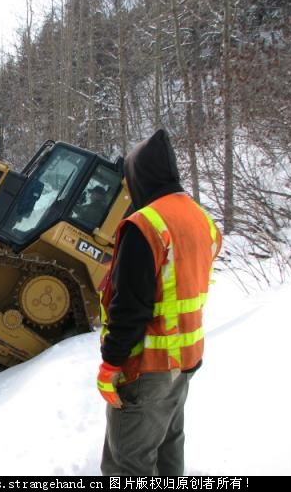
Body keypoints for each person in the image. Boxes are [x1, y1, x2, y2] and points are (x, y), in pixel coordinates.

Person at [96, 129, 222, 476]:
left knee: (128, 464)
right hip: (185, 361)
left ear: (139, 177)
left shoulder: (145, 224)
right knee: (168, 453)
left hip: (146, 366)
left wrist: (111, 363)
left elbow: (131, 306)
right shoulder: (202, 220)